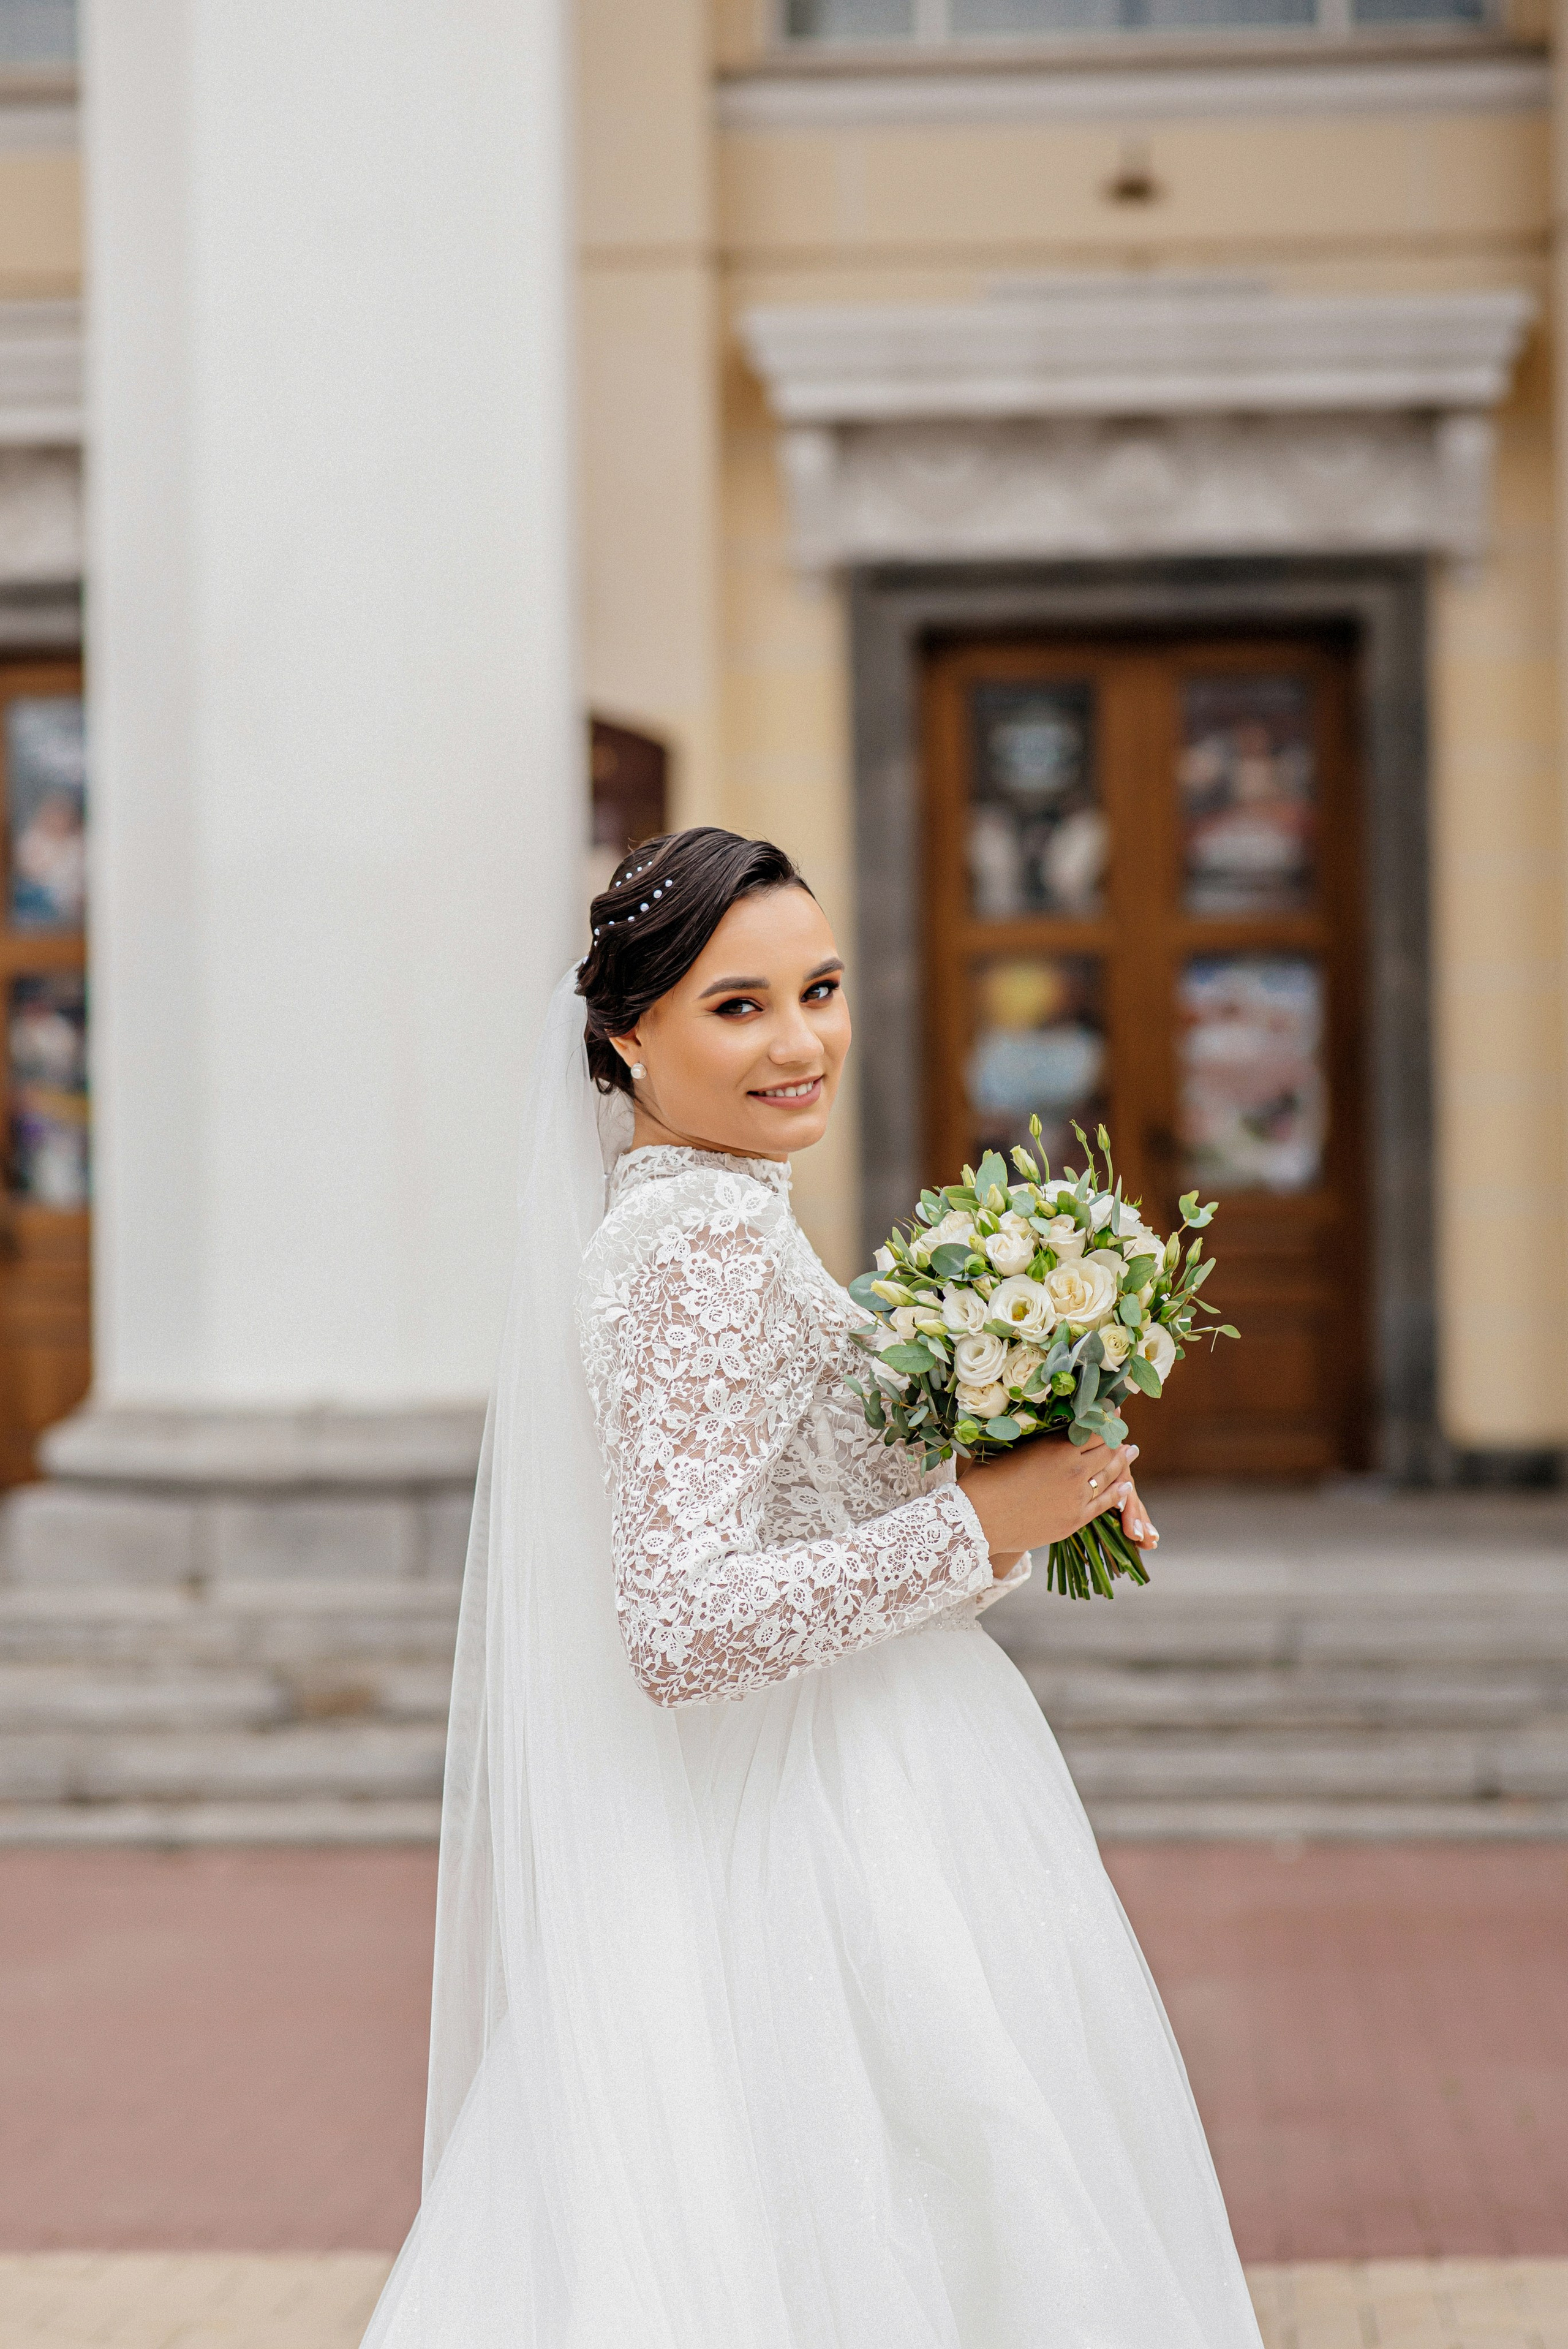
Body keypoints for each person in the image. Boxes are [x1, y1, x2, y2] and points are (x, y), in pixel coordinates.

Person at [361, 828, 1264, 2348]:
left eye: (821, 988)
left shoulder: (709, 1212)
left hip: (863, 1782)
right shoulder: (694, 1247)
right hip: (822, 1829)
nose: (800, 1042)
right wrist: (974, 1523)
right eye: (737, 1007)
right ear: (625, 1036)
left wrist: (1023, 1471)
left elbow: (793, 1515)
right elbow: (679, 1621)